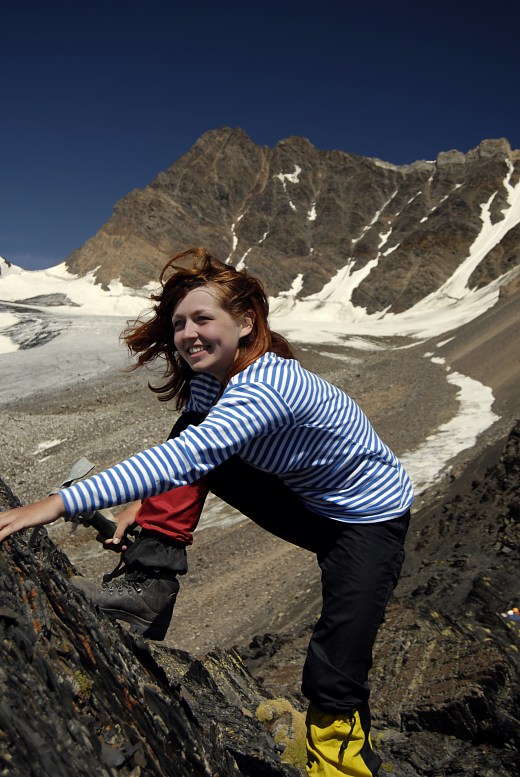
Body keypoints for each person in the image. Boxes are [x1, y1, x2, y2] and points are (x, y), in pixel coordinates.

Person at [0, 247, 413, 777]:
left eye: (202, 319)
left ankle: (341, 769)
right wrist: (145, 508)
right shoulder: (209, 379)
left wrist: (52, 506)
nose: (188, 334)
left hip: (367, 522)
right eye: (179, 323)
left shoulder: (269, 386)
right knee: (193, 434)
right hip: (307, 501)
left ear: (246, 322)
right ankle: (148, 585)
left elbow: (188, 458)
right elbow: (189, 447)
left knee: (336, 671)